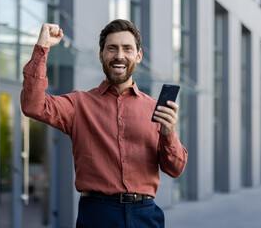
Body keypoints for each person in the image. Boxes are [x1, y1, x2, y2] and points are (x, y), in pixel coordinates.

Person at [20, 19, 188, 228]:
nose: (119, 56)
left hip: (146, 216)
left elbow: (175, 169)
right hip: (97, 215)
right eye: (112, 48)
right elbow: (32, 105)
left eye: (127, 48)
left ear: (138, 55)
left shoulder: (156, 109)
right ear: (101, 56)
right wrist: (42, 48)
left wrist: (169, 132)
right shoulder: (78, 104)